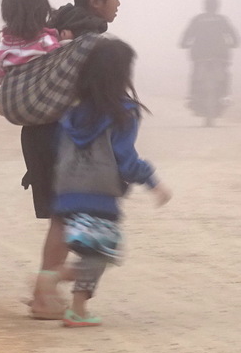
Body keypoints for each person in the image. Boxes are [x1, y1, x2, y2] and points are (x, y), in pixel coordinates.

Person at [36, 38, 172, 327]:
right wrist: (153, 182)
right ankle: (55, 277)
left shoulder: (71, 112)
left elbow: (58, 149)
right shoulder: (123, 113)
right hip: (99, 193)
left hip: (66, 191)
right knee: (103, 252)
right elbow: (125, 159)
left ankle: (77, 311)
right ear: (121, 75)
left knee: (92, 250)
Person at [16, 0, 124, 319]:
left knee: (60, 218)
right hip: (59, 137)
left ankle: (40, 295)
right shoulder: (89, 38)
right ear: (96, 1)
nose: (119, 3)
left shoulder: (53, 27)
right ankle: (44, 296)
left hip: (36, 134)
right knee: (64, 218)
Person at [179, 0, 240, 105]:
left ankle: (192, 96)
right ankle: (225, 95)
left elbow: (188, 34)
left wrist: (184, 44)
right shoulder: (222, 20)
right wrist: (234, 43)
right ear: (217, 7)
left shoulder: (197, 19)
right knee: (224, 73)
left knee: (195, 73)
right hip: (220, 54)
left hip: (200, 54)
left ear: (205, 6)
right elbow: (232, 34)